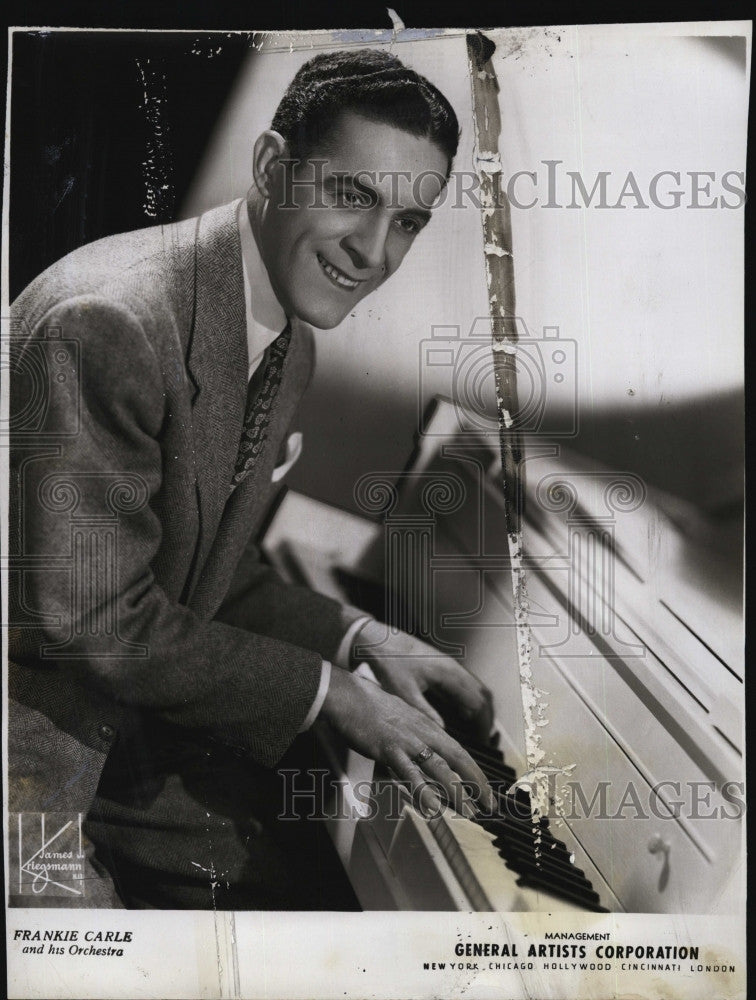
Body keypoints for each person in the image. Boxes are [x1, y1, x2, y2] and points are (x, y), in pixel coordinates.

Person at [8, 48, 494, 910]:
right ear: (272, 166)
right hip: (32, 770)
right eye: (353, 195)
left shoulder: (288, 338)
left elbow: (205, 572)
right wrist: (329, 694)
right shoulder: (109, 321)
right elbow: (99, 620)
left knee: (295, 883)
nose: (375, 251)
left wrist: (361, 638)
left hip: (116, 740)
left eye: (409, 221)